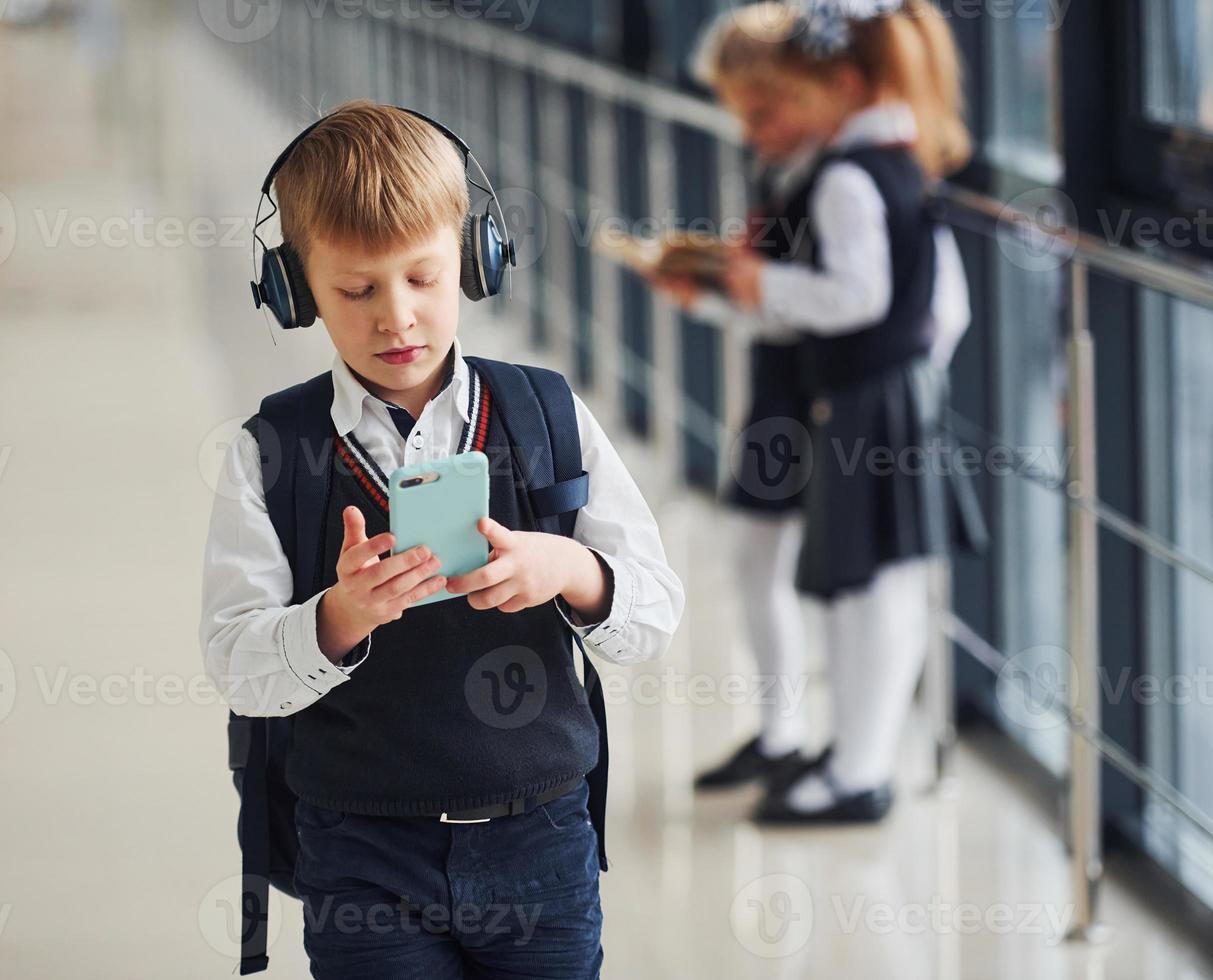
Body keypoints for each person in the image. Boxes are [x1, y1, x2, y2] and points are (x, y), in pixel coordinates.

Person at [200, 101, 685, 977]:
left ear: (473, 259)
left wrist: (570, 569)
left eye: (423, 279)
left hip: (541, 845)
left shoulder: (547, 416)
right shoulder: (272, 450)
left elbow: (653, 613)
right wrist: (336, 619)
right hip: (360, 855)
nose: (398, 319)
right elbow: (234, 660)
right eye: (356, 290)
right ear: (296, 288)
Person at [653, 0, 985, 824]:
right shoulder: (881, 165)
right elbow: (930, 305)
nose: (762, 128)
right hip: (870, 392)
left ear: (835, 86)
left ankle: (857, 769)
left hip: (865, 397)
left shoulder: (849, 175)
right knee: (862, 587)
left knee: (873, 590)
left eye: (775, 107)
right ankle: (849, 759)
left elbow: (866, 294)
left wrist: (764, 288)